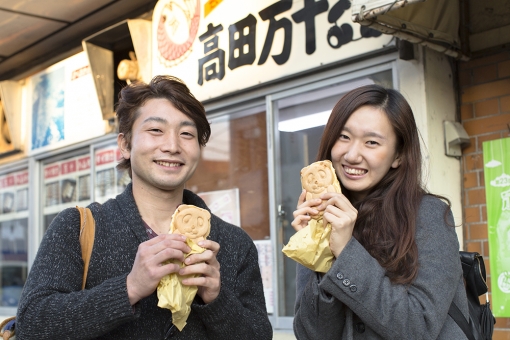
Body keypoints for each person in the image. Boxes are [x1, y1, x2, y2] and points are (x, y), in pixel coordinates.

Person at [16, 75, 273, 339]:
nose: (172, 146)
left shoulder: (234, 243)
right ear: (125, 145)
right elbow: (31, 325)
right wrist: (129, 287)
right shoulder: (77, 227)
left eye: (186, 134)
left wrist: (217, 300)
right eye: (155, 130)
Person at [291, 84, 470, 339]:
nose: (352, 154)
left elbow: (419, 326)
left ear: (398, 155)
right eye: (344, 137)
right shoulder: (319, 219)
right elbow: (311, 334)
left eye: (371, 142)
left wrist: (345, 251)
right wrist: (320, 253)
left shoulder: (429, 215)